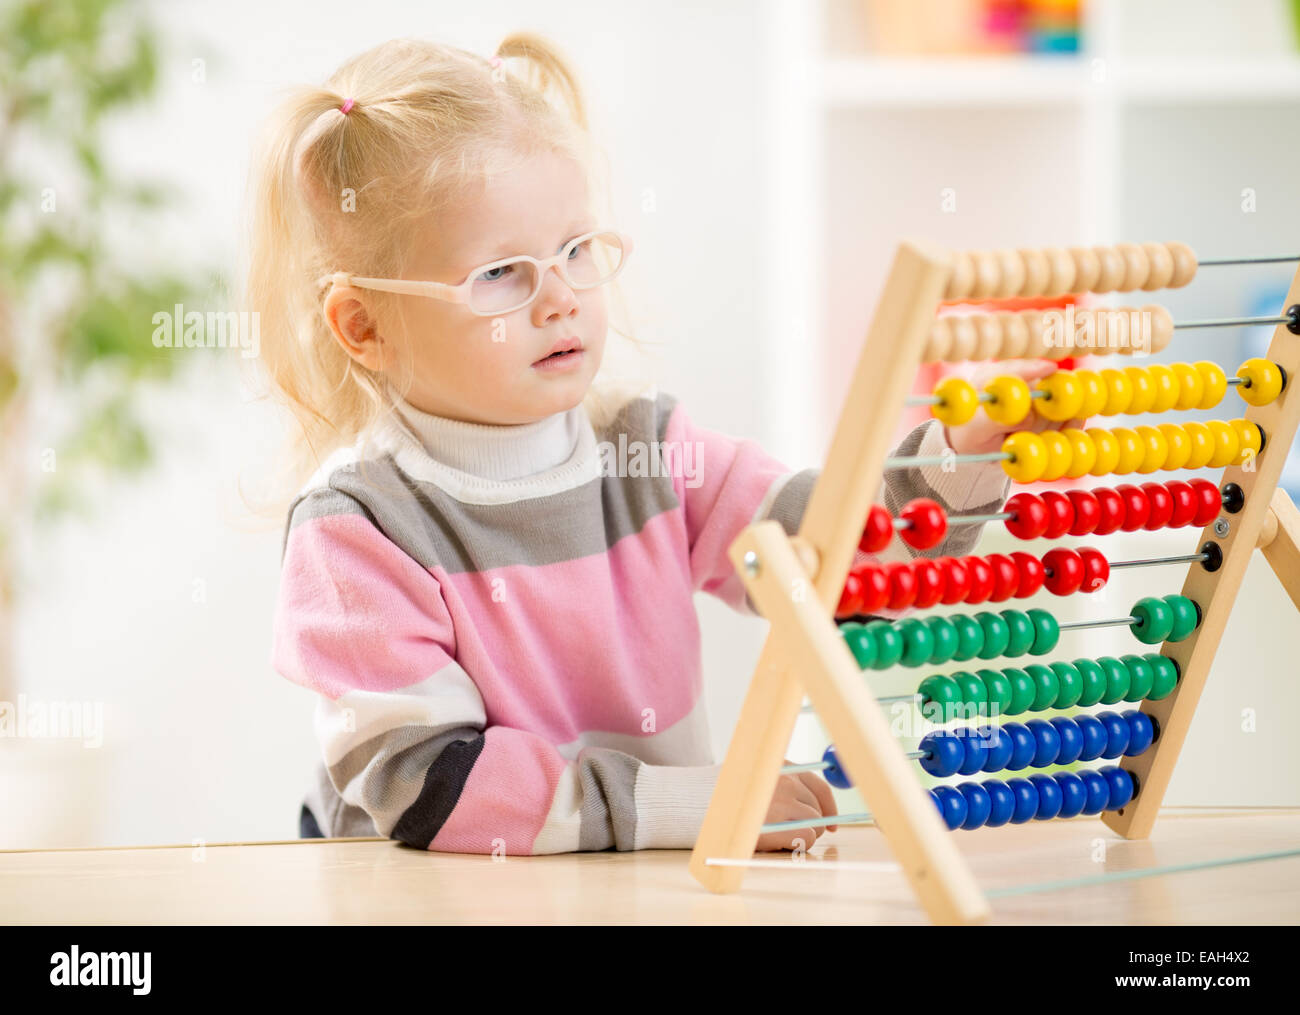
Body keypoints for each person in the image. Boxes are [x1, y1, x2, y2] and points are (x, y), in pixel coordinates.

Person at [248, 32, 1072, 856]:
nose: (560, 299)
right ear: (364, 326)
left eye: (575, 251)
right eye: (500, 273)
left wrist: (965, 449)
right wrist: (710, 803)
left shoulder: (648, 453)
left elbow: (832, 561)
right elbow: (437, 788)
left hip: (631, 884)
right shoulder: (358, 531)